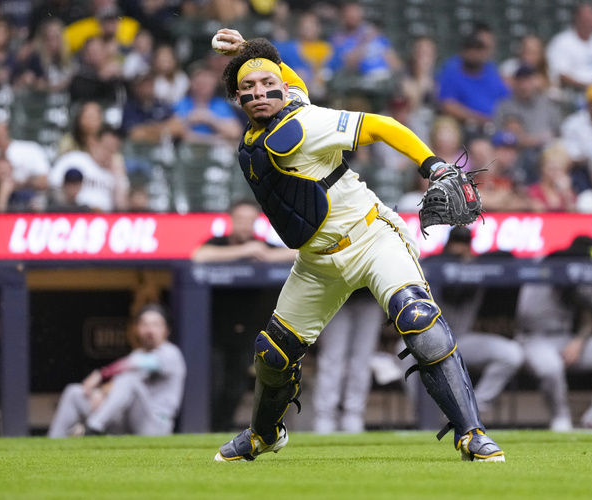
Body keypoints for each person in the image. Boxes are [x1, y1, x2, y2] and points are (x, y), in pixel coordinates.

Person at [211, 29, 504, 462]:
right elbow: (274, 79)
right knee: (272, 354)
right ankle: (263, 434)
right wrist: (248, 52)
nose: (259, 92)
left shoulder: (306, 121)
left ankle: (471, 434)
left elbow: (382, 125)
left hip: (370, 238)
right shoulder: (267, 125)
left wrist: (434, 165)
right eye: (248, 87)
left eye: (267, 84)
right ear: (237, 98)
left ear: (284, 87)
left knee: (419, 320)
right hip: (317, 261)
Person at [192, 200, 296, 431]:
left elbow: (298, 254)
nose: (244, 226)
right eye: (240, 220)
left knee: (236, 386)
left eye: (249, 221)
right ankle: (203, 427)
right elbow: (198, 255)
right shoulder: (218, 243)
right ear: (230, 220)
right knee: (213, 383)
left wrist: (266, 256)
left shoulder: (262, 246)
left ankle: (221, 428)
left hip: (247, 330)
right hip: (215, 329)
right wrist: (245, 251)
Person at [515, 236, 592, 431]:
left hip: (563, 337)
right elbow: (560, 255)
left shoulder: (584, 276)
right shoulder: (549, 261)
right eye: (590, 255)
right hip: (534, 338)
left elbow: (589, 318)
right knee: (551, 367)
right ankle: (560, 418)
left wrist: (579, 341)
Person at [422, 227, 524, 413]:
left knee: (511, 354)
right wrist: (454, 261)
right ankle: (427, 418)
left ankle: (472, 409)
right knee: (405, 354)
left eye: (464, 244)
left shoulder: (475, 265)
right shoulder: (434, 263)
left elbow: (507, 256)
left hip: (461, 340)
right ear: (448, 244)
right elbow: (430, 264)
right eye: (455, 244)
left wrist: (471, 263)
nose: (459, 248)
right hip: (427, 340)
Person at [48, 304, 186, 437]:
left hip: (155, 424)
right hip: (128, 421)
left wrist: (101, 374)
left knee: (129, 380)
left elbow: (133, 366)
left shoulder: (171, 353)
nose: (150, 330)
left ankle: (92, 429)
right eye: (145, 325)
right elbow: (120, 386)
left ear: (166, 330)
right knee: (74, 393)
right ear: (137, 329)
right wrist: (101, 393)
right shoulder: (137, 353)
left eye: (156, 325)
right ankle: (52, 443)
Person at [312, 289, 384, 434]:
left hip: (370, 295)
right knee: (332, 359)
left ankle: (353, 415)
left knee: (362, 360)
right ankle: (324, 417)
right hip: (335, 293)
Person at [436, 23, 509, 131]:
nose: (475, 53)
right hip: (466, 127)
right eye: (471, 47)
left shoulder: (491, 69)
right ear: (464, 50)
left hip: (495, 126)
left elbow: (506, 98)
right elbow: (448, 105)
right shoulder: (453, 70)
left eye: (479, 48)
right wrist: (479, 119)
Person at [0, 111, 50, 200]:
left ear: (4, 125)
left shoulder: (30, 148)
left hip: (28, 203)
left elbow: (44, 182)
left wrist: (15, 184)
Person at [545, 3, 592, 90]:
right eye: (586, 20)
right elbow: (561, 75)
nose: (589, 23)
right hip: (575, 92)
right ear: (577, 19)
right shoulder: (561, 41)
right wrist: (589, 87)